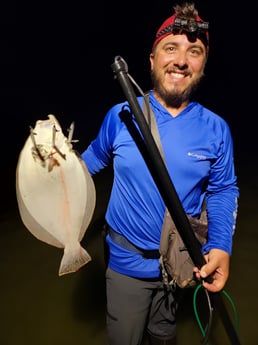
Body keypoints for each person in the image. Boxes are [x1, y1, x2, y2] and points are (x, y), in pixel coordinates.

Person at [81, 2, 239, 344]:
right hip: (125, 265)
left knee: (164, 334)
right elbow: (88, 163)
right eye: (171, 47)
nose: (181, 60)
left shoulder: (216, 129)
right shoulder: (121, 115)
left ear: (203, 65)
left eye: (194, 51)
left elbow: (223, 189)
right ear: (152, 60)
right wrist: (52, 166)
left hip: (181, 263)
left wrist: (221, 245)